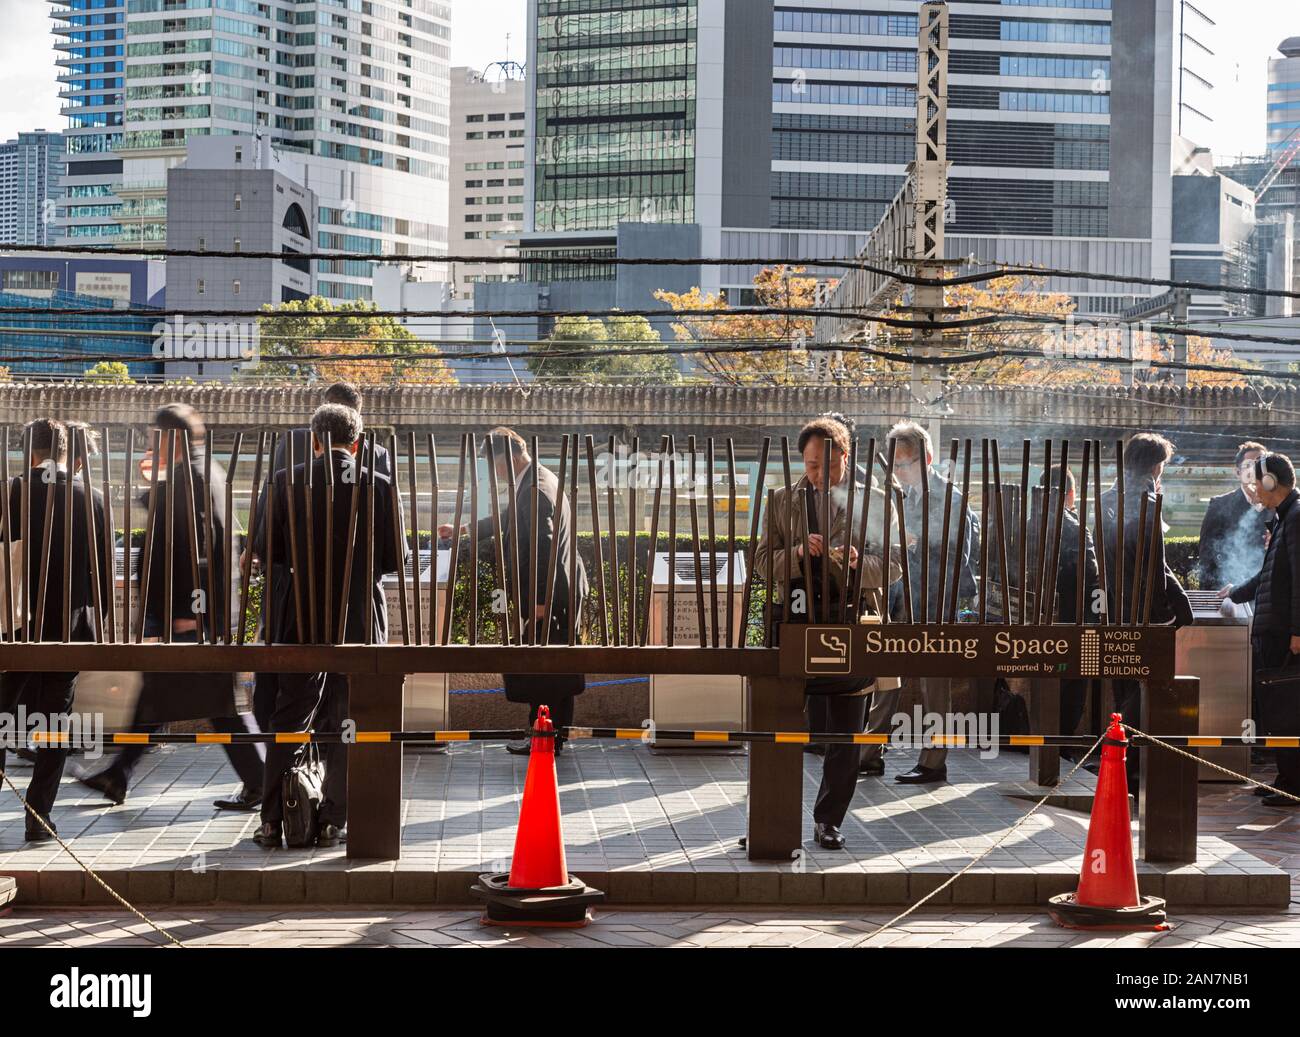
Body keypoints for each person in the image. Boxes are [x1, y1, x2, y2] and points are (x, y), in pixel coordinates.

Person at [78, 404, 265, 810]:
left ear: (170, 437)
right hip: (194, 614)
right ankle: (119, 774)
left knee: (215, 703)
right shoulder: (202, 471)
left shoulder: (189, 477)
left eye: (153, 436)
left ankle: (263, 780)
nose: (148, 442)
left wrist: (186, 610)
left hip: (188, 615)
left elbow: (199, 549)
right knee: (168, 696)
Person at [250, 403, 404, 848]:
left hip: (299, 618)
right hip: (357, 618)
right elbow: (396, 560)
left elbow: (269, 553)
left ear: (315, 439)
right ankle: (333, 817)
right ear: (356, 443)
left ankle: (273, 819)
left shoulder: (285, 481)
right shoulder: (378, 485)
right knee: (345, 717)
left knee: (289, 716)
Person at [752, 416, 898, 849]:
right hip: (793, 623)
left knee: (846, 730)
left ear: (845, 459)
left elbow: (891, 566)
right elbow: (761, 563)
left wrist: (855, 564)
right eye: (810, 465)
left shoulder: (873, 501)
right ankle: (767, 814)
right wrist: (797, 553)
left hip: (849, 625)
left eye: (824, 465)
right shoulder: (781, 501)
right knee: (777, 723)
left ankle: (828, 819)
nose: (815, 474)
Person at [438, 428, 588, 755]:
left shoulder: (533, 489)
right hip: (561, 591)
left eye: (493, 466)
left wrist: (539, 602)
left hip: (552, 596)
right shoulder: (538, 479)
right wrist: (464, 529)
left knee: (544, 665)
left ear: (506, 460)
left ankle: (545, 738)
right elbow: (509, 518)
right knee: (553, 665)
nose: (493, 473)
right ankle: (549, 737)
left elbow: (542, 549)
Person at [252, 382, 391, 732]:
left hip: (295, 593)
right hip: (355, 600)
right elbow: (390, 555)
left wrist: (256, 548)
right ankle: (341, 776)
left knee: (289, 694)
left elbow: (268, 525)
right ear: (358, 422)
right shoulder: (375, 458)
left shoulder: (292, 446)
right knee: (351, 697)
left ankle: (275, 776)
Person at [0, 419, 109, 840]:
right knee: (54, 721)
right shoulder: (92, 499)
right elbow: (100, 573)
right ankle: (39, 817)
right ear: (66, 453)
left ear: (29, 452)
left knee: (4, 713)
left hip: (14, 627)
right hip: (69, 628)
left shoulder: (10, 493)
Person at [862, 420, 980, 786]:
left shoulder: (952, 498)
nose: (897, 471)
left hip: (935, 602)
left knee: (935, 687)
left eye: (904, 463)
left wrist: (917, 543)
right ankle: (870, 752)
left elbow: (963, 554)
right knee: (886, 677)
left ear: (926, 458)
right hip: (897, 598)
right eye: (894, 464)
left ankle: (933, 762)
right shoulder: (895, 494)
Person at [1099, 432, 1194, 792]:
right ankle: (1130, 766)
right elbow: (1156, 567)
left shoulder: (1107, 498)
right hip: (1144, 615)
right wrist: (1174, 610)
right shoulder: (1147, 499)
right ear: (1157, 466)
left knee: (1121, 687)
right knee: (1144, 688)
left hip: (1114, 610)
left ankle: (1117, 765)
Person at [1219, 452, 1300, 807]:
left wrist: (1298, 631)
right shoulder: (1284, 519)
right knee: (1278, 710)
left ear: (1271, 483)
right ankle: (1285, 779)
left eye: (1258, 482)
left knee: (1288, 710)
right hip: (1274, 629)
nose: (1255, 489)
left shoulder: (1296, 519)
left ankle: (1293, 783)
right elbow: (1271, 575)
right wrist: (1235, 592)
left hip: (1285, 632)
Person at [1037, 465, 1100, 750]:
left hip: (1036, 622)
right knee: (1073, 684)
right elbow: (1090, 574)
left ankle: (1040, 741)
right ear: (1071, 494)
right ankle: (1062, 746)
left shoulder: (1026, 522)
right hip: (1072, 622)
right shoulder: (1075, 528)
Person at [1198, 441, 1271, 592]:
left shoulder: (1277, 506)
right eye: (1249, 465)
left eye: (1260, 464)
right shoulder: (1219, 504)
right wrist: (1210, 592)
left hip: (1269, 589)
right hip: (1229, 591)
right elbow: (1207, 554)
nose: (1255, 470)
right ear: (1238, 472)